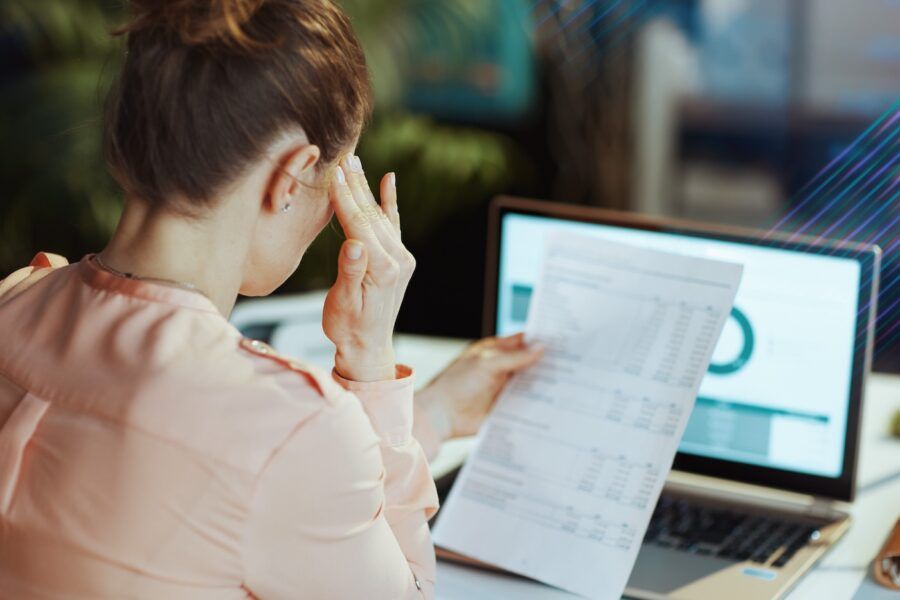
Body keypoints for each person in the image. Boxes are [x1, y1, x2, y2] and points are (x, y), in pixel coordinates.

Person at [0, 1, 542, 598]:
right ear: (290, 177)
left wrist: (432, 416)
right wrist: (370, 360)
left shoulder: (15, 300)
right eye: (337, 179)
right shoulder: (286, 425)